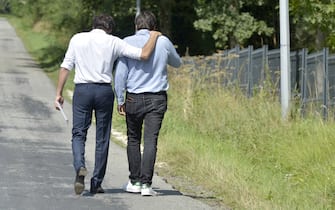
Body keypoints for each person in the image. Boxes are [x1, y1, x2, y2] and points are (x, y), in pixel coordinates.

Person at [54, 14, 161, 195]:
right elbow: (143, 54)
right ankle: (96, 183)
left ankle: (80, 165)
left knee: (79, 133)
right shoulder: (114, 42)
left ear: (93, 25)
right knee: (102, 137)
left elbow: (66, 66)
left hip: (83, 90)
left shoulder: (77, 38)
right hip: (104, 92)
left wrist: (58, 93)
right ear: (110, 29)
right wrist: (154, 36)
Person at [114, 11, 182, 196]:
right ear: (153, 27)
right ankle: (146, 185)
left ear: (136, 26)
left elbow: (120, 74)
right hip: (157, 98)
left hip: (133, 97)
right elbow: (177, 63)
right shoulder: (163, 41)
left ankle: (134, 181)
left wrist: (120, 98)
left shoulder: (126, 41)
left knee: (133, 139)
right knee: (151, 140)